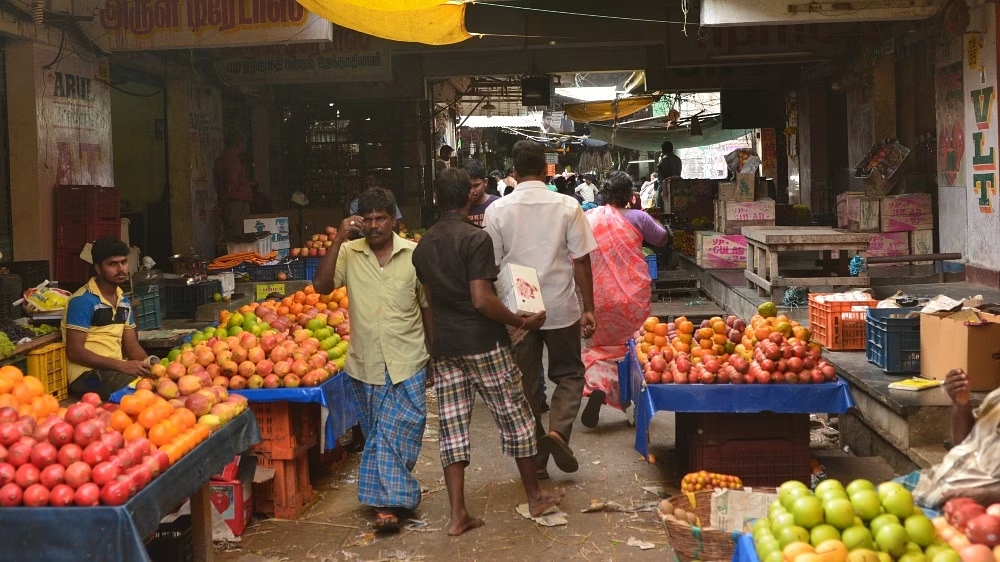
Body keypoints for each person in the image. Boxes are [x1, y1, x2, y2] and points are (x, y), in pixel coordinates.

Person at [412, 168, 564, 536]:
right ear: (468, 196)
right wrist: (520, 321)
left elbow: (429, 302)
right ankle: (534, 496)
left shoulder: (424, 245)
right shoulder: (475, 239)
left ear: (436, 199)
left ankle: (457, 515)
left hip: (446, 346)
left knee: (452, 428)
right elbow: (482, 299)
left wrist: (434, 349)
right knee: (517, 418)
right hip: (483, 342)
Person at [313, 187, 431, 532]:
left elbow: (427, 307)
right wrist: (338, 238)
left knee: (404, 431)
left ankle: (390, 495)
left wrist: (434, 354)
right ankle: (389, 503)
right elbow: (321, 286)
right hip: (366, 363)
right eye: (368, 219)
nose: (375, 225)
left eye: (381, 218)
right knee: (380, 434)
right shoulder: (349, 254)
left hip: (409, 359)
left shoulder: (414, 254)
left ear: (394, 220)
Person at [483, 140, 598, 479]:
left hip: (518, 312)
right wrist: (588, 309)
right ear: (546, 171)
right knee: (570, 374)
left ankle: (535, 459)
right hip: (561, 306)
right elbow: (582, 261)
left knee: (525, 384)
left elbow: (492, 266)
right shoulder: (567, 205)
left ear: (514, 171)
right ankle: (558, 432)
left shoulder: (497, 210)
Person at [579, 171, 671, 428]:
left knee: (599, 348)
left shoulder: (589, 217)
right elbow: (662, 238)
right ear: (631, 195)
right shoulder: (639, 217)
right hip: (633, 298)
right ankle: (632, 400)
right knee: (633, 347)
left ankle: (599, 385)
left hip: (598, 298)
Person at [63, 238, 150, 400]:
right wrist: (122, 365)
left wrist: (153, 366)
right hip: (85, 377)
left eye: (123, 262)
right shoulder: (82, 301)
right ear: (98, 268)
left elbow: (132, 347)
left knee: (156, 383)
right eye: (112, 264)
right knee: (142, 391)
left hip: (114, 370)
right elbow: (75, 352)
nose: (121, 269)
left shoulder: (123, 301)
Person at [911, 368, 1000, 507]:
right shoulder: (996, 398)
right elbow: (963, 442)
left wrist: (990, 497)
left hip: (969, 508)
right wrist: (961, 404)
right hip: (932, 481)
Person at [214, 131, 255, 242]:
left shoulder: (223, 158)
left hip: (231, 203)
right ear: (238, 143)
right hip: (235, 205)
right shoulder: (231, 159)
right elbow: (231, 182)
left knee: (234, 235)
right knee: (236, 238)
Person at [464, 160, 500, 227]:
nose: (472, 191)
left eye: (476, 186)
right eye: (469, 186)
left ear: (485, 182)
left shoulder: (497, 204)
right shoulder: (461, 206)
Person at [656, 141, 682, 209]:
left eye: (662, 149)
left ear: (664, 149)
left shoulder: (663, 161)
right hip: (678, 187)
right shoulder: (678, 159)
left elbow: (661, 179)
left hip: (666, 188)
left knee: (661, 208)